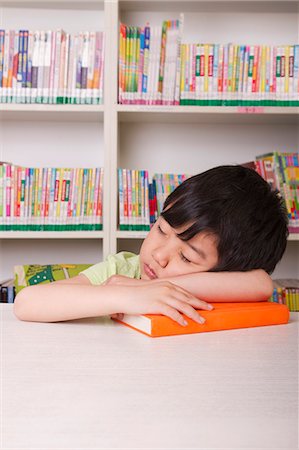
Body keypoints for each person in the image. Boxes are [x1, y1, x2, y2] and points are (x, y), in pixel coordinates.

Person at [13, 165, 288, 326]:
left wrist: (149, 289)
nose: (159, 254)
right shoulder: (122, 271)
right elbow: (27, 302)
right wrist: (124, 295)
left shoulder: (222, 287)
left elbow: (262, 283)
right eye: (161, 229)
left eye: (187, 257)